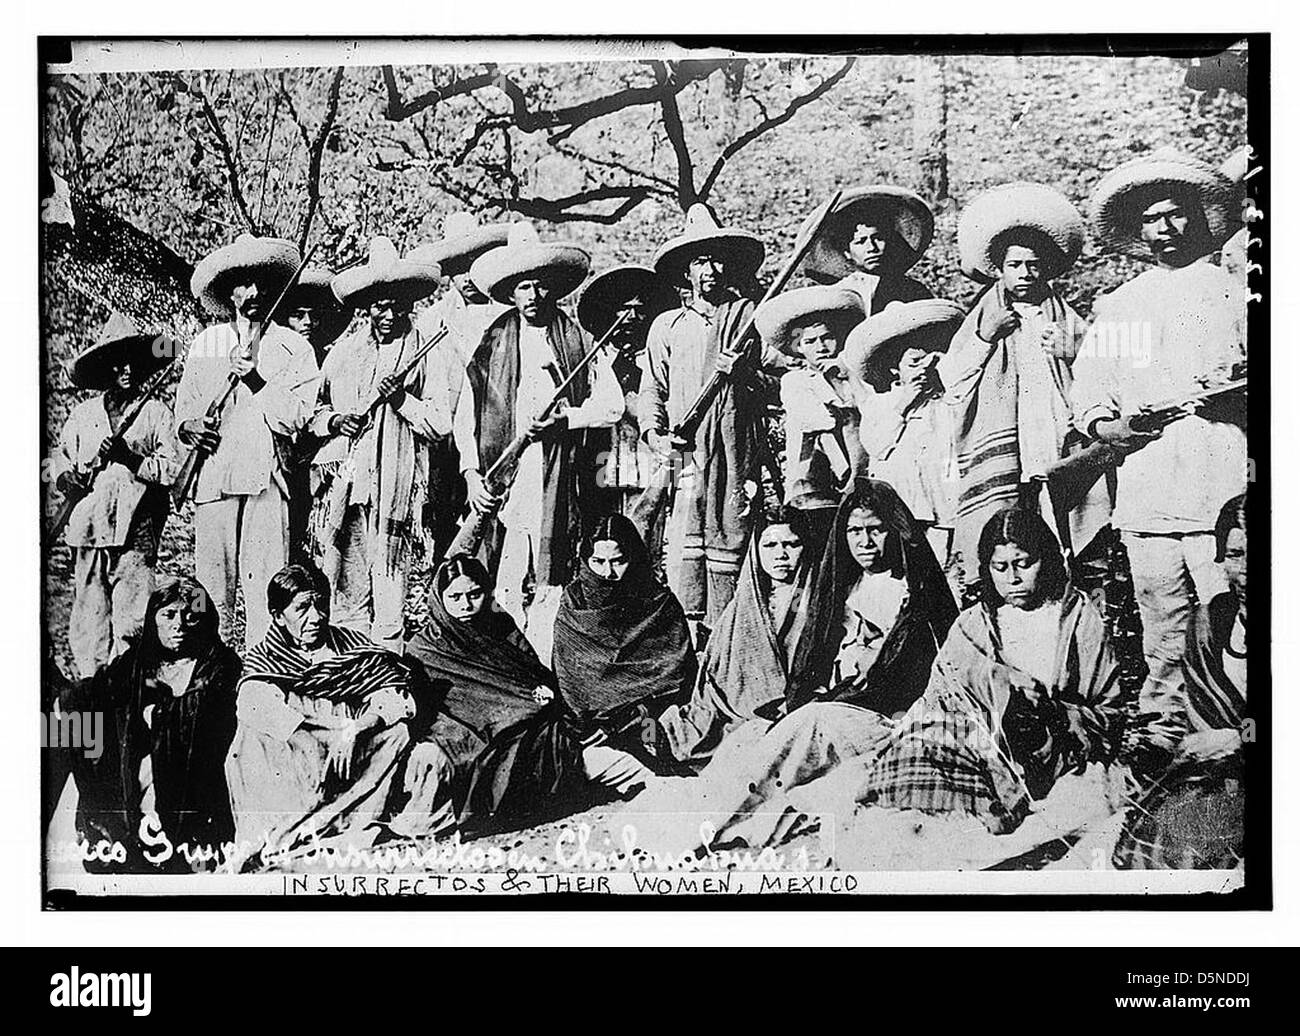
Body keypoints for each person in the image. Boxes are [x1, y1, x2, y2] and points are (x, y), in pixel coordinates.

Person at [623, 479, 957, 852]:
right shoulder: (846, 585)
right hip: (840, 708)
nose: (864, 542)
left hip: (890, 723)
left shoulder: (916, 594)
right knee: (750, 738)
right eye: (854, 531)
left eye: (876, 530)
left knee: (805, 726)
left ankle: (704, 827)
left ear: (896, 530)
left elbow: (909, 679)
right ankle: (705, 811)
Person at [1072, 149, 1248, 751]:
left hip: (1221, 477)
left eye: (1176, 214)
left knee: (1227, 609)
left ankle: (1236, 728)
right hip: (1149, 484)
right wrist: (1111, 428)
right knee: (1163, 621)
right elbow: (1091, 392)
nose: (1166, 229)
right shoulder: (1120, 306)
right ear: (1138, 231)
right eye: (1153, 220)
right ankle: (1164, 732)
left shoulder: (1234, 289)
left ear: (1201, 216)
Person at [859, 508, 1130, 834]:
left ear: (1046, 559)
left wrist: (1044, 708)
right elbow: (941, 694)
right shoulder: (974, 622)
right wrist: (997, 685)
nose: (1013, 578)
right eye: (1000, 567)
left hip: (1046, 745)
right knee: (906, 771)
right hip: (973, 736)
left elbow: (1108, 713)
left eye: (1024, 564)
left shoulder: (1078, 618)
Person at [405, 555, 664, 836]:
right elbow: (428, 706)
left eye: (475, 594)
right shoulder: (425, 648)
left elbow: (531, 675)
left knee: (602, 759)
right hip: (467, 733)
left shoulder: (499, 626)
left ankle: (666, 799)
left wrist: (536, 697)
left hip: (531, 728)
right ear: (439, 598)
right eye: (454, 597)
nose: (465, 605)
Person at [225, 563, 456, 868]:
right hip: (298, 756)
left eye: (321, 604)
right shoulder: (265, 658)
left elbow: (396, 697)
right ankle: (294, 832)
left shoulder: (351, 646)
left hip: (357, 751)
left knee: (400, 732)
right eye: (302, 608)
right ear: (278, 616)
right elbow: (256, 705)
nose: (316, 617)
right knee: (249, 740)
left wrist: (355, 729)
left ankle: (343, 823)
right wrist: (314, 736)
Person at [459, 223, 624, 641]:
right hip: (505, 472)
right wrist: (472, 475)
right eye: (523, 287)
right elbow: (466, 413)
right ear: (510, 292)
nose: (533, 296)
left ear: (554, 289)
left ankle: (548, 656)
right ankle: (507, 657)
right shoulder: (492, 341)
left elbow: (612, 405)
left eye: (540, 286)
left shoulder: (579, 339)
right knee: (505, 569)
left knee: (553, 573)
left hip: (561, 471)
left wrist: (565, 420)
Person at [943, 182, 1107, 589]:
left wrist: (1073, 351)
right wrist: (986, 337)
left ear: (1046, 268)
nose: (1025, 273)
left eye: (1033, 265)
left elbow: (1100, 372)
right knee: (1011, 525)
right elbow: (952, 380)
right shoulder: (984, 315)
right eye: (1015, 265)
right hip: (1007, 438)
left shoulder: (1064, 315)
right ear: (999, 269)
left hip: (1052, 434)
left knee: (1057, 519)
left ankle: (1061, 586)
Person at [176, 234, 321, 649]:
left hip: (267, 482)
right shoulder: (207, 344)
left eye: (261, 282)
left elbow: (297, 418)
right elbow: (183, 413)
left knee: (267, 593)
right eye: (242, 283)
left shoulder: (295, 348)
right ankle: (209, 680)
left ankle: (263, 684)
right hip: (215, 481)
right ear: (228, 291)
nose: (254, 293)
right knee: (209, 593)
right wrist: (192, 428)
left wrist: (255, 378)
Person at [309, 237, 446, 651]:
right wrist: (336, 421)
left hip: (397, 492)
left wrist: (401, 399)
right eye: (379, 306)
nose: (388, 315)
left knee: (390, 595)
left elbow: (440, 423)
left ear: (410, 304)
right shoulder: (344, 353)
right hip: (346, 487)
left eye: (396, 305)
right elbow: (315, 412)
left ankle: (387, 682)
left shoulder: (426, 349)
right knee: (346, 590)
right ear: (366, 307)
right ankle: (350, 676)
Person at [640, 203, 770, 629]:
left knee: (736, 536)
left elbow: (779, 383)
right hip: (686, 452)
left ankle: (731, 634)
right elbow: (652, 391)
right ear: (686, 271)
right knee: (683, 546)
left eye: (716, 259)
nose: (710, 269)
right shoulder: (667, 326)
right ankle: (689, 639)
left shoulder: (752, 319)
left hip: (737, 455)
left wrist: (745, 374)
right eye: (699, 261)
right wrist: (656, 436)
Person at [57, 579, 242, 870]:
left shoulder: (219, 662)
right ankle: (109, 825)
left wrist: (159, 713)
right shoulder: (139, 660)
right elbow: (98, 690)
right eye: (168, 615)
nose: (179, 625)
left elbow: (207, 716)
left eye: (190, 616)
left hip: (189, 772)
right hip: (138, 766)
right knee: (87, 714)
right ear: (154, 618)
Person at [1112, 493, 1248, 870]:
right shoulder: (1211, 622)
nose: (1247, 567)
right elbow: (1197, 720)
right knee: (1142, 845)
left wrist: (1237, 739)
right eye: (1235, 555)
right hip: (1221, 772)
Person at [54, 312, 178, 678]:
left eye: (132, 361)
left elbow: (171, 469)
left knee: (133, 614)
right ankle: (93, 688)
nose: (126, 370)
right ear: (105, 368)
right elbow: (59, 458)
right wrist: (66, 479)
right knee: (90, 611)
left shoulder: (155, 413)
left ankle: (129, 689)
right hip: (90, 526)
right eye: (116, 362)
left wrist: (130, 457)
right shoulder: (83, 415)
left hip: (137, 525)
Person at [659, 505, 816, 764]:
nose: (781, 555)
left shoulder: (814, 602)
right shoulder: (745, 603)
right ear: (756, 550)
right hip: (734, 708)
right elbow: (717, 674)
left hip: (791, 707)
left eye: (791, 544)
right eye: (770, 546)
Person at [847, 299, 965, 588]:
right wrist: (904, 402)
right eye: (914, 361)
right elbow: (877, 445)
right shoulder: (881, 404)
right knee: (902, 577)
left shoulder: (945, 403)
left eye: (929, 359)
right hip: (900, 510)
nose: (923, 367)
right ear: (893, 369)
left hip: (941, 510)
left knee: (945, 576)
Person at [552, 515, 696, 748]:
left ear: (634, 558)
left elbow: (677, 680)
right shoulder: (574, 602)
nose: (607, 572)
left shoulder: (660, 603)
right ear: (586, 560)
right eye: (598, 561)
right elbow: (568, 680)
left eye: (618, 561)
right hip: (583, 725)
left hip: (646, 718)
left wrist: (626, 720)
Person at [575, 265, 679, 518]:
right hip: (603, 461)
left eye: (639, 310)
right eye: (624, 309)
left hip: (653, 463)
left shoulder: (660, 356)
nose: (631, 317)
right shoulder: (594, 358)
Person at [753, 285, 868, 497]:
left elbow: (870, 408)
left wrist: (844, 376)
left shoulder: (854, 375)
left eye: (827, 338)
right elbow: (819, 420)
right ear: (799, 348)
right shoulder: (796, 381)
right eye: (810, 341)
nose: (821, 347)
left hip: (859, 458)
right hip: (813, 468)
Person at [273, 267, 351, 561]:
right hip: (280, 458)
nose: (307, 322)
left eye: (312, 315)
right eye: (298, 315)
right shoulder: (274, 359)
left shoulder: (330, 360)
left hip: (317, 458)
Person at [797, 184, 935, 314]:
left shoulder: (912, 290)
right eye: (860, 242)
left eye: (878, 238)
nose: (871, 248)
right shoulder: (837, 294)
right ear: (847, 253)